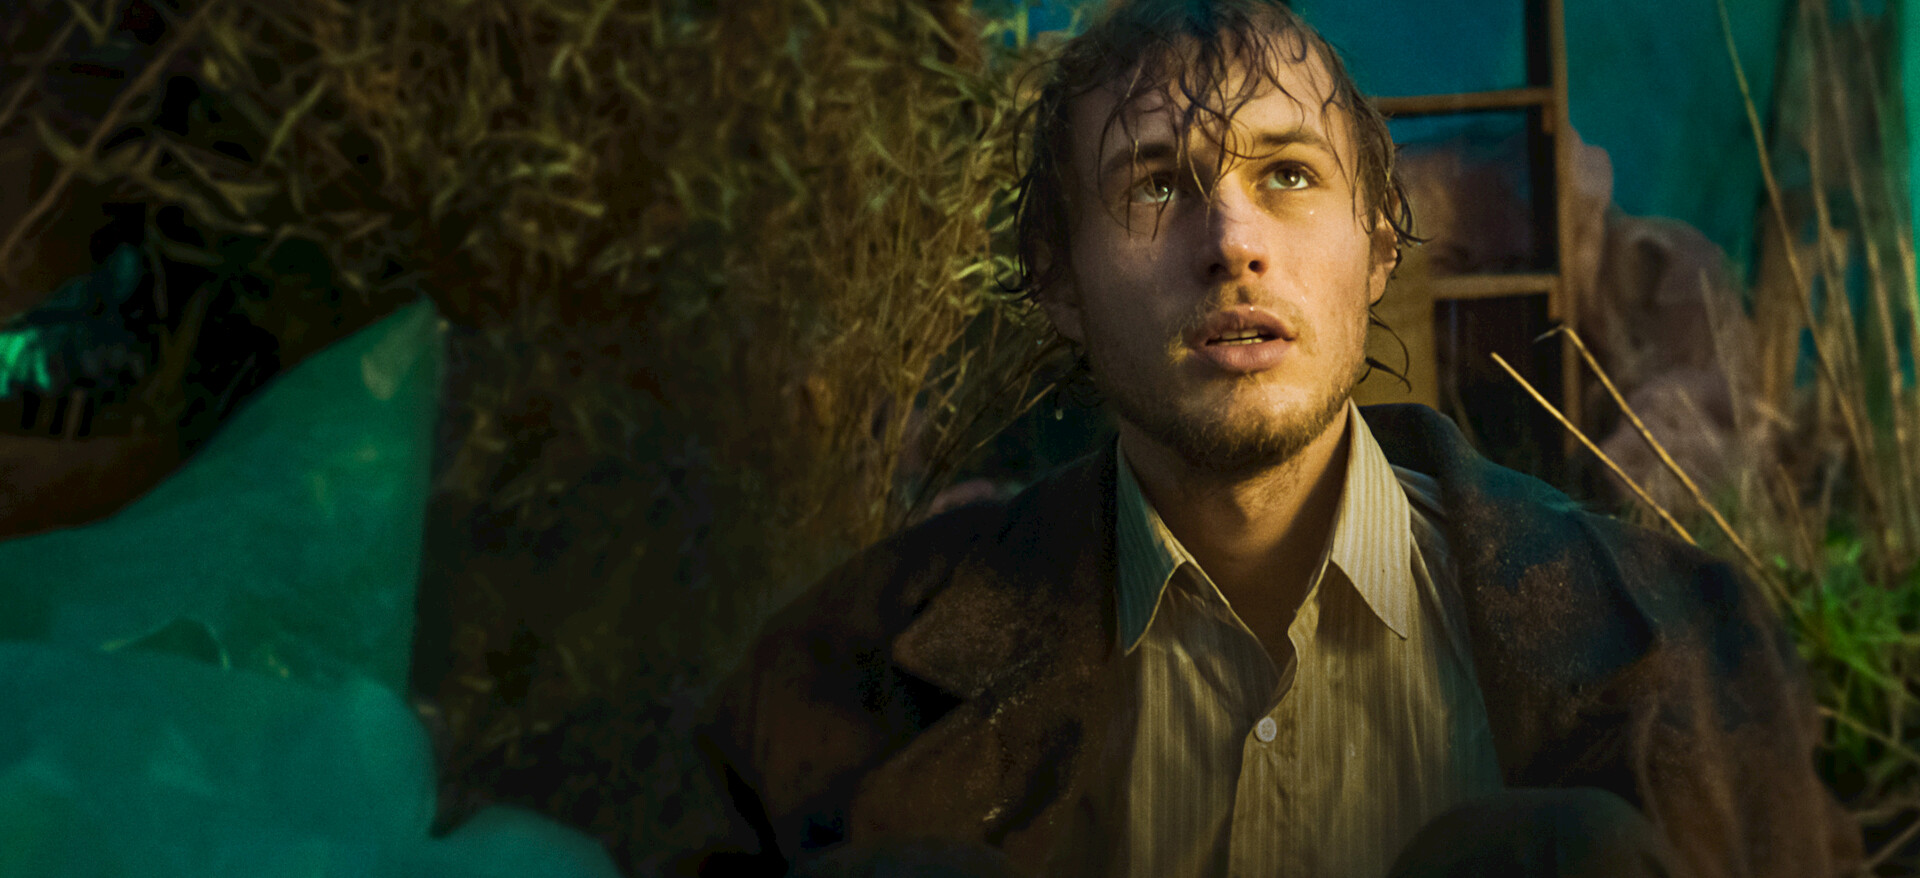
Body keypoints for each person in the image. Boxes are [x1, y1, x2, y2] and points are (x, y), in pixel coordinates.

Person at [681, 2, 1860, 876]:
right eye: (1155, 186)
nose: (1232, 240)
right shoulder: (841, 677)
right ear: (1056, 280)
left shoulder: (1687, 643)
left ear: (1381, 247)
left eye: (1289, 174)